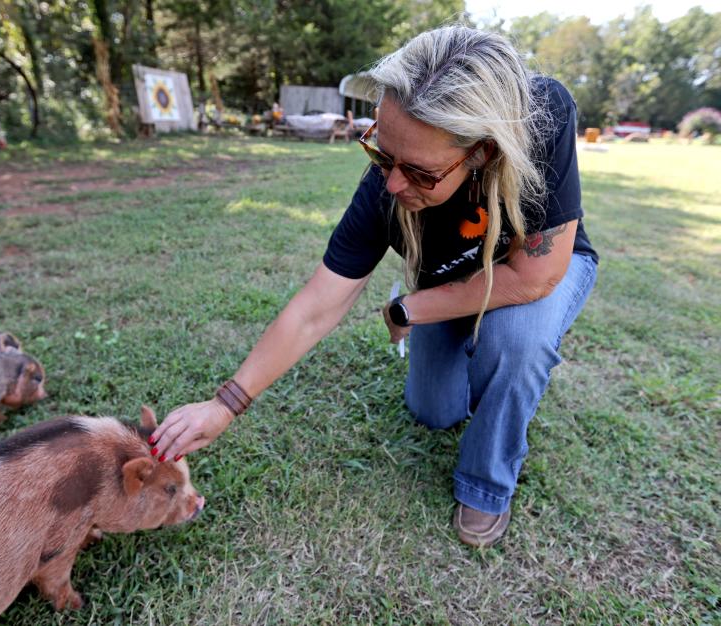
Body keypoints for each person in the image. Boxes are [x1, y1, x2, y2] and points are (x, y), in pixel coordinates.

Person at [150, 25, 599, 548]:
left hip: (533, 271)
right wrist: (225, 403)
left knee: (516, 342)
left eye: (421, 172)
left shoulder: (539, 116)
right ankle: (478, 365)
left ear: (481, 151)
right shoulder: (387, 188)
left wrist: (410, 308)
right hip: (450, 275)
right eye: (382, 154)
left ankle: (485, 484)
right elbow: (318, 305)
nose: (392, 184)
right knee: (435, 411)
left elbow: (536, 275)